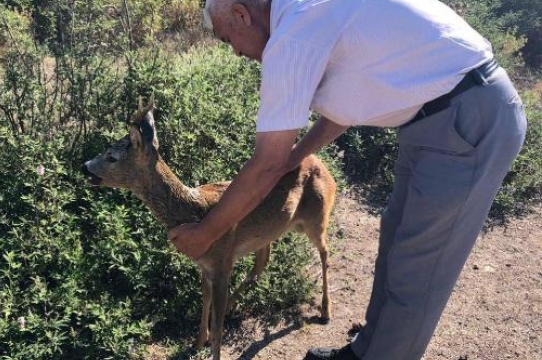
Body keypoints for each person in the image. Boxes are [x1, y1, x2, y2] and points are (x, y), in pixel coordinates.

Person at [167, 0, 527, 358]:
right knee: (395, 243)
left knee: (417, 272)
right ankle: (366, 351)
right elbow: (342, 111)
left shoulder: (293, 35)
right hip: (436, 119)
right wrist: (293, 158)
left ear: (241, 14)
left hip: (466, 116)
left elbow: (265, 165)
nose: (236, 53)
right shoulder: (306, 14)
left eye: (228, 39)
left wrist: (206, 232)